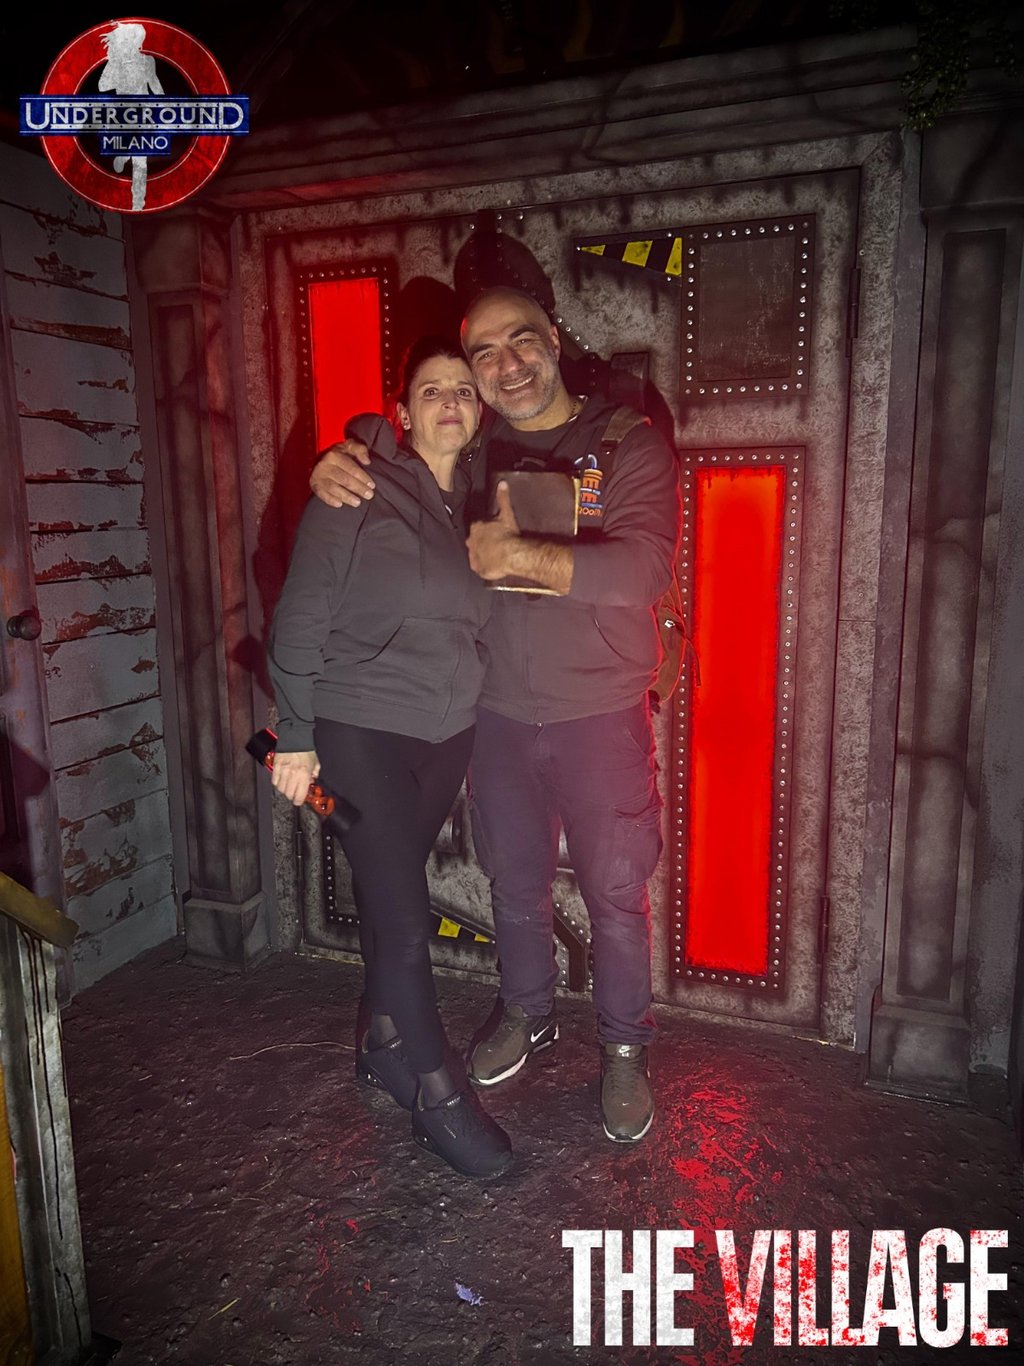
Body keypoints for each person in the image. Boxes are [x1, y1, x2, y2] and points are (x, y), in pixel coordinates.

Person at [310, 288, 681, 1143]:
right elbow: (389, 447)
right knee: (513, 883)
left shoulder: (626, 443)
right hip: (498, 715)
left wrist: (523, 556)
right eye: (485, 353)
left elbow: (643, 570)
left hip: (601, 712)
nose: (507, 364)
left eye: (521, 341)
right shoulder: (472, 448)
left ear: (552, 338)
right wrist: (336, 457)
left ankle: (625, 1047)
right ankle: (528, 1011)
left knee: (615, 892)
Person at [268, 336, 512, 1180]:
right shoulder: (358, 484)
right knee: (405, 917)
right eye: (431, 390)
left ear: (479, 414)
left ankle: (380, 1040)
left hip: (446, 736)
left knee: (388, 889)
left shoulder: (479, 507)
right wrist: (294, 733)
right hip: (357, 726)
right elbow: (302, 609)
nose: (451, 401)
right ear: (403, 413)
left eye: (464, 390)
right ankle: (438, 1097)